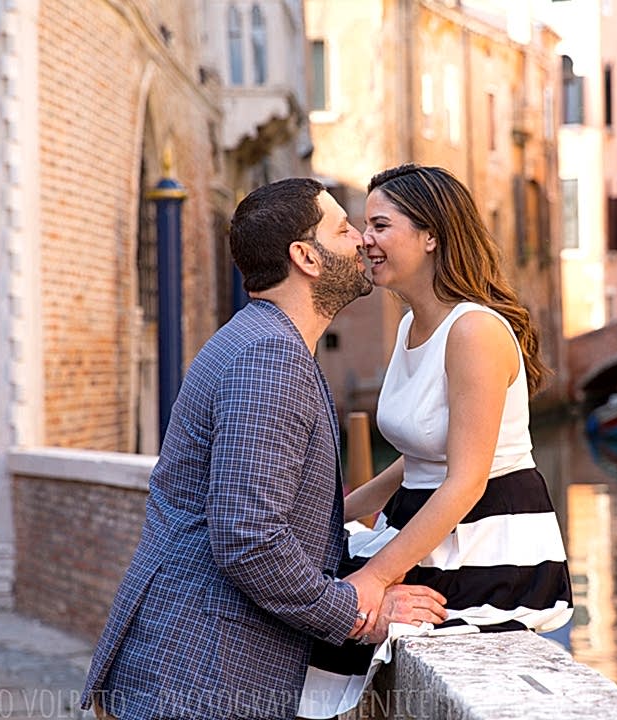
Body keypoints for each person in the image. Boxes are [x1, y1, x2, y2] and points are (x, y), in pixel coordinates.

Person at [80, 178, 447, 720]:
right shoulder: (269, 359)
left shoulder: (256, 339)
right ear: (307, 257)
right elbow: (250, 539)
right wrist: (357, 611)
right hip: (200, 680)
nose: (361, 241)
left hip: (187, 670)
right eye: (344, 229)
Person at [298, 164, 573, 718]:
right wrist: (338, 513)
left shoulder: (474, 330)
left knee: (338, 615)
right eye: (362, 226)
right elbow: (419, 454)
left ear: (430, 236)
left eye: (380, 225)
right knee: (306, 596)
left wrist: (374, 578)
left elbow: (467, 479)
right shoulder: (410, 325)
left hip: (484, 539)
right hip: (424, 521)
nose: (365, 241)